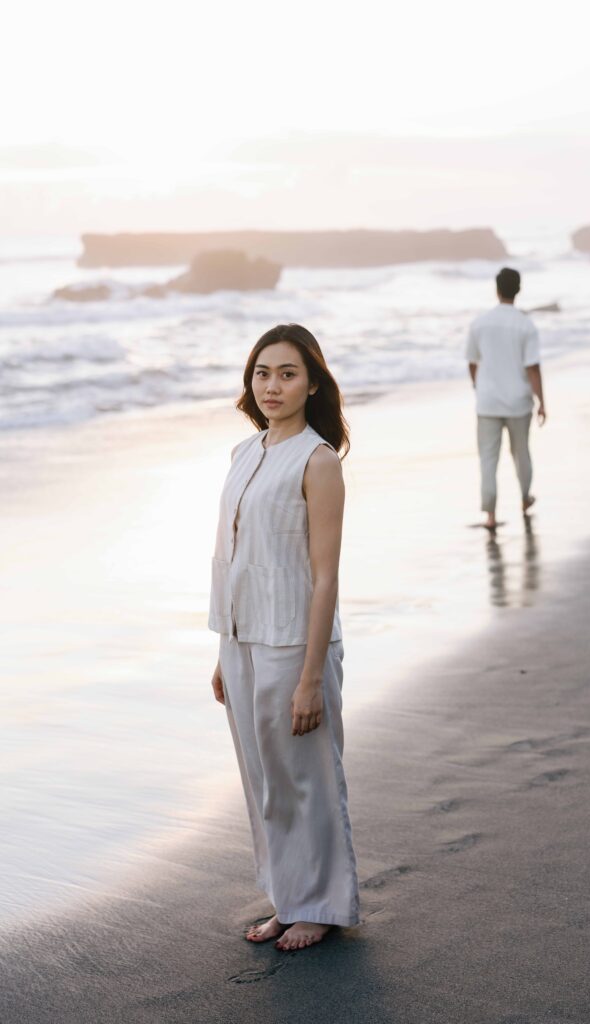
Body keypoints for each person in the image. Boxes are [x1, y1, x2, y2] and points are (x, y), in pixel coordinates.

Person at [208, 323, 360, 951]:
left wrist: (309, 678)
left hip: (295, 643)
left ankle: (321, 904)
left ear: (313, 383)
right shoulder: (245, 453)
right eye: (262, 372)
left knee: (307, 777)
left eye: (288, 373)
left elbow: (325, 579)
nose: (272, 385)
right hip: (241, 640)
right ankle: (287, 896)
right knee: (262, 778)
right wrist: (224, 649)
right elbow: (234, 554)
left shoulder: (318, 461)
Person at [465, 267, 546, 530]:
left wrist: (479, 387)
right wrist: (542, 401)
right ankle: (524, 498)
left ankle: (490, 514)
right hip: (519, 401)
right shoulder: (525, 324)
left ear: (496, 289)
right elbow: (532, 367)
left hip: (487, 402)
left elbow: (472, 362)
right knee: (521, 454)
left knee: (488, 459)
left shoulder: (480, 323)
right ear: (518, 289)